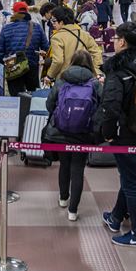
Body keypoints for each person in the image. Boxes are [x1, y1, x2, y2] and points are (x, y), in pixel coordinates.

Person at [100, 22, 136, 248]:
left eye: (116, 38)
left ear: (122, 41)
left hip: (124, 132)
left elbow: (111, 106)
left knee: (131, 183)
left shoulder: (118, 71)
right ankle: (115, 217)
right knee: (129, 176)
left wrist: (108, 133)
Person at [44, 51, 102, 221]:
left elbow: (49, 105)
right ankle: (73, 211)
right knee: (78, 170)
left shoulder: (62, 80)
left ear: (72, 62)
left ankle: (63, 198)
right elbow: (103, 106)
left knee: (64, 165)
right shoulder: (95, 83)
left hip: (61, 132)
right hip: (83, 134)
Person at [0, 1, 49, 96]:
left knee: (16, 97)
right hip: (31, 66)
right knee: (32, 96)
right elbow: (46, 48)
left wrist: (7, 62)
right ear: (27, 12)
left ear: (14, 13)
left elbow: (0, 52)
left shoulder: (6, 28)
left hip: (13, 66)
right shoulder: (36, 27)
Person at [44, 6, 102, 83]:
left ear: (61, 22)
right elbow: (97, 52)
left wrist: (49, 76)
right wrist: (94, 69)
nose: (53, 24)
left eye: (54, 21)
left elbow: (58, 61)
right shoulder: (84, 34)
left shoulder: (57, 37)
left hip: (64, 78)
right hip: (84, 77)